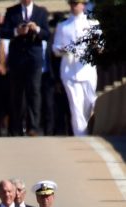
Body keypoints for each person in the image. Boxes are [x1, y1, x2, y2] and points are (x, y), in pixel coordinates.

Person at [0, 0, 50, 136]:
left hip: (34, 57)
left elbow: (47, 34)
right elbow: (4, 32)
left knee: (34, 91)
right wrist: (17, 31)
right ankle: (16, 127)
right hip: (17, 58)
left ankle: (33, 127)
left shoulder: (41, 12)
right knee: (17, 92)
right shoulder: (12, 11)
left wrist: (37, 29)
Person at [51, 0, 98, 137]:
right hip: (69, 71)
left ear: (83, 5)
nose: (73, 6)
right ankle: (81, 136)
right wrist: (63, 49)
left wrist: (95, 45)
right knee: (75, 106)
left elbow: (100, 46)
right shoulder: (63, 26)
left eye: (76, 3)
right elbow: (55, 48)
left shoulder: (93, 24)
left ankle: (88, 130)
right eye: (71, 3)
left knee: (89, 104)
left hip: (87, 70)